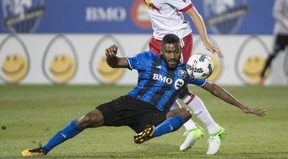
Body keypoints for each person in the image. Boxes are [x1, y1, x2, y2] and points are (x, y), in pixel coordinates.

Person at [21, 34, 266, 157]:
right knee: (85, 119)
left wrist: (243, 107)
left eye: (176, 52)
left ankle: (146, 134)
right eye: (168, 52)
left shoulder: (185, 71)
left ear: (181, 51)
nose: (172, 56)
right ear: (162, 50)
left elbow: (213, 88)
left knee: (184, 112)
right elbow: (116, 63)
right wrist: (109, 57)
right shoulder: (148, 59)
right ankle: (44, 149)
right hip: (128, 104)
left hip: (154, 116)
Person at [104, 0, 228, 155]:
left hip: (178, 40)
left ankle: (214, 130)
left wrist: (205, 41)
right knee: (154, 84)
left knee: (178, 86)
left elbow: (194, 14)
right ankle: (191, 128)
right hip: (158, 39)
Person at [259, 0, 288, 85]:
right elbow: (276, 12)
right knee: (274, 54)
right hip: (282, 32)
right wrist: (285, 22)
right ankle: (262, 76)